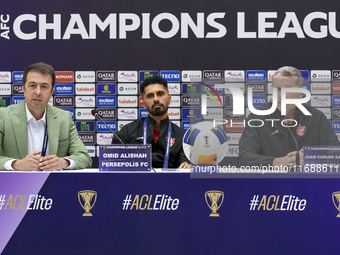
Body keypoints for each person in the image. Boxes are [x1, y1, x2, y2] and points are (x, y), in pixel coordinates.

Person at [238, 66, 340, 168]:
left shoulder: (316, 117)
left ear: (301, 93)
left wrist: (310, 159)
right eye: (277, 89)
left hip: (307, 183)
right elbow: (244, 159)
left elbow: (336, 156)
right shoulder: (257, 116)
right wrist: (275, 162)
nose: (280, 95)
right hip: (270, 182)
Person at [0, 62, 92, 171]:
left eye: (44, 87)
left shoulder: (64, 118)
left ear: (51, 92)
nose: (38, 92)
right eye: (32, 85)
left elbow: (85, 158)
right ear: (24, 89)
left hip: (53, 186)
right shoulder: (4, 116)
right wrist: (17, 164)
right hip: (14, 185)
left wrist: (63, 162)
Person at [112, 76, 190, 169]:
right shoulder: (127, 132)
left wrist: (186, 167)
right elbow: (114, 166)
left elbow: (185, 169)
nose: (156, 99)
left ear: (169, 99)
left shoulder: (182, 137)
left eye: (160, 94)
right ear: (143, 103)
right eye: (150, 96)